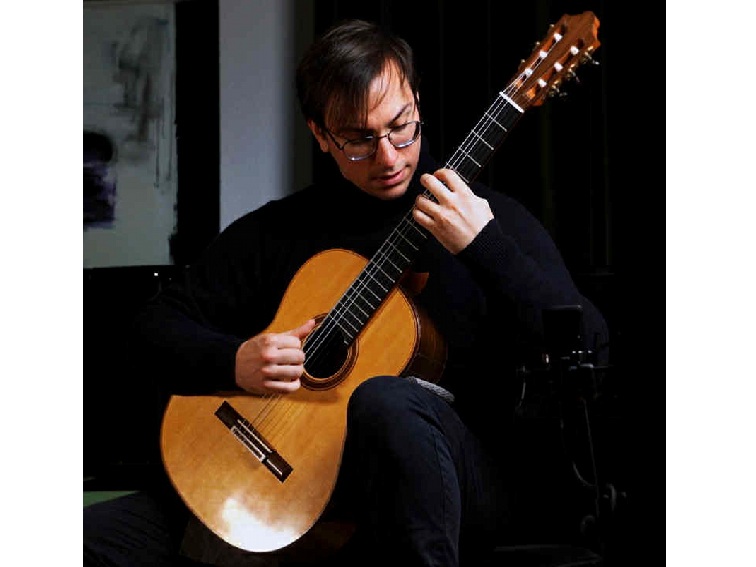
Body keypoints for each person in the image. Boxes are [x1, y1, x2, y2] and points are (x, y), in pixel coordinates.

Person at [84, 18, 609, 567]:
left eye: (401, 127)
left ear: (417, 103)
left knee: (388, 399)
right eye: (359, 140)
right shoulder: (281, 230)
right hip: (275, 479)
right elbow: (149, 330)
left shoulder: (486, 222)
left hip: (451, 488)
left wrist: (487, 248)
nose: (389, 157)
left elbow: (593, 354)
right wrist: (235, 361)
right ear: (320, 134)